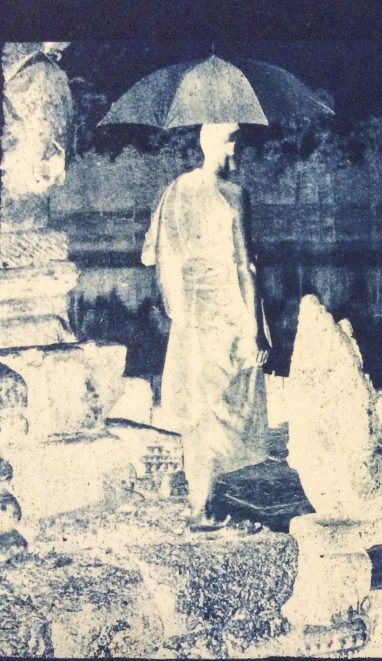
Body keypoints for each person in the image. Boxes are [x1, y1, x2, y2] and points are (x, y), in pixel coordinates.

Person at [142, 122, 270, 531]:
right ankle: (204, 505)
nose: (236, 151)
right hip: (227, 311)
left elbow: (156, 257)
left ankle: (201, 502)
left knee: (199, 407)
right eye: (234, 143)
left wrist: (179, 309)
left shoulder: (176, 190)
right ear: (223, 146)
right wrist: (254, 330)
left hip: (191, 313)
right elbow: (245, 267)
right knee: (225, 404)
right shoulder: (233, 194)